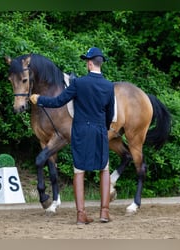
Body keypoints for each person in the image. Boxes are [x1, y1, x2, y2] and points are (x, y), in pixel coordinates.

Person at [30, 47, 115, 225]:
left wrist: (39, 99)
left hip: (81, 131)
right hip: (100, 130)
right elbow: (109, 113)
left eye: (87, 61)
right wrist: (104, 128)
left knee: (79, 171)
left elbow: (58, 101)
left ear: (90, 63)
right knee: (104, 169)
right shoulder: (108, 86)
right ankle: (104, 212)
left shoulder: (78, 83)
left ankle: (81, 214)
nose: (86, 63)